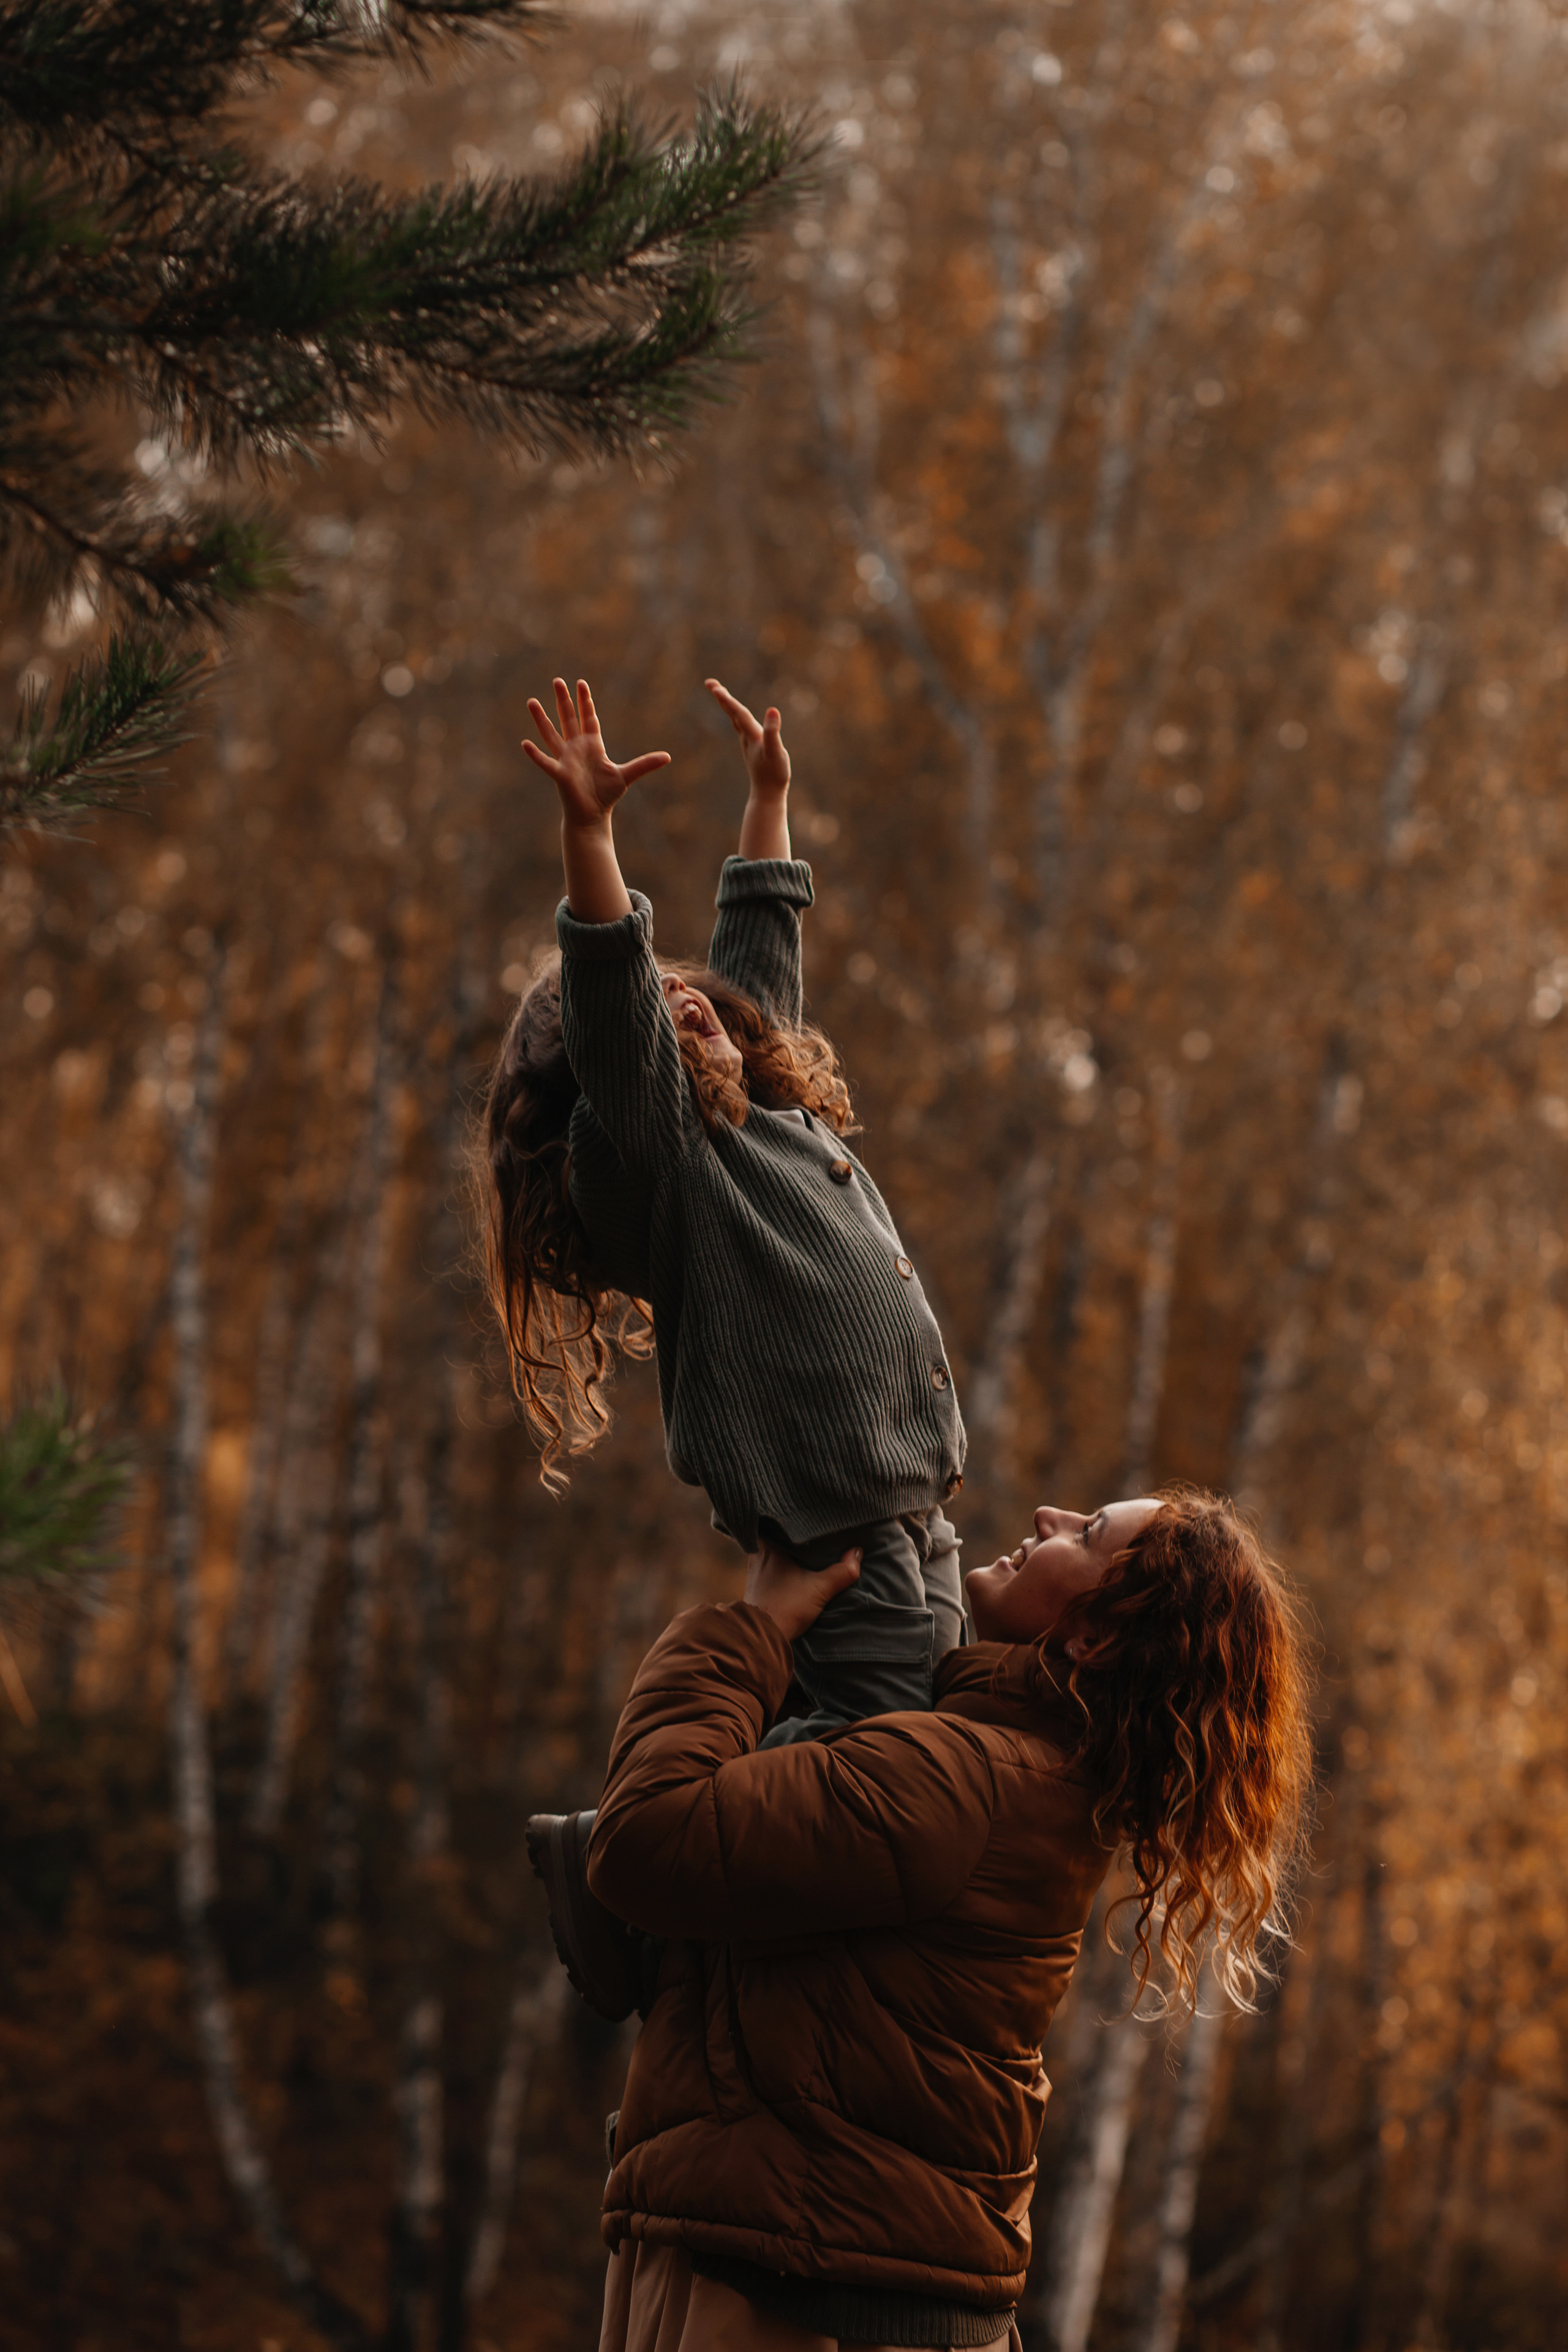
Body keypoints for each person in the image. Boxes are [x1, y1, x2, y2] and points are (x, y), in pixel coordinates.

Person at [540, 1485, 1313, 2352]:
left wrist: (746, 1631)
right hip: (812, 2265)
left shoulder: (963, 1782)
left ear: (1093, 1636)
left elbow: (644, 1840)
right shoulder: (1027, 1779)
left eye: (1089, 1532)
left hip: (793, 2296)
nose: (1049, 1516)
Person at [480, 674, 966, 1743]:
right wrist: (591, 836)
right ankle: (697, 1816)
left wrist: (765, 802)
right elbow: (615, 1004)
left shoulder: (761, 1110)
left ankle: (751, 1777)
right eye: (658, 1006)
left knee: (920, 1724)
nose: (683, 996)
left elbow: (760, 962)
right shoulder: (657, 1161)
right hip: (836, 1513)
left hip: (911, 1502)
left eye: (680, 981)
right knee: (890, 1749)